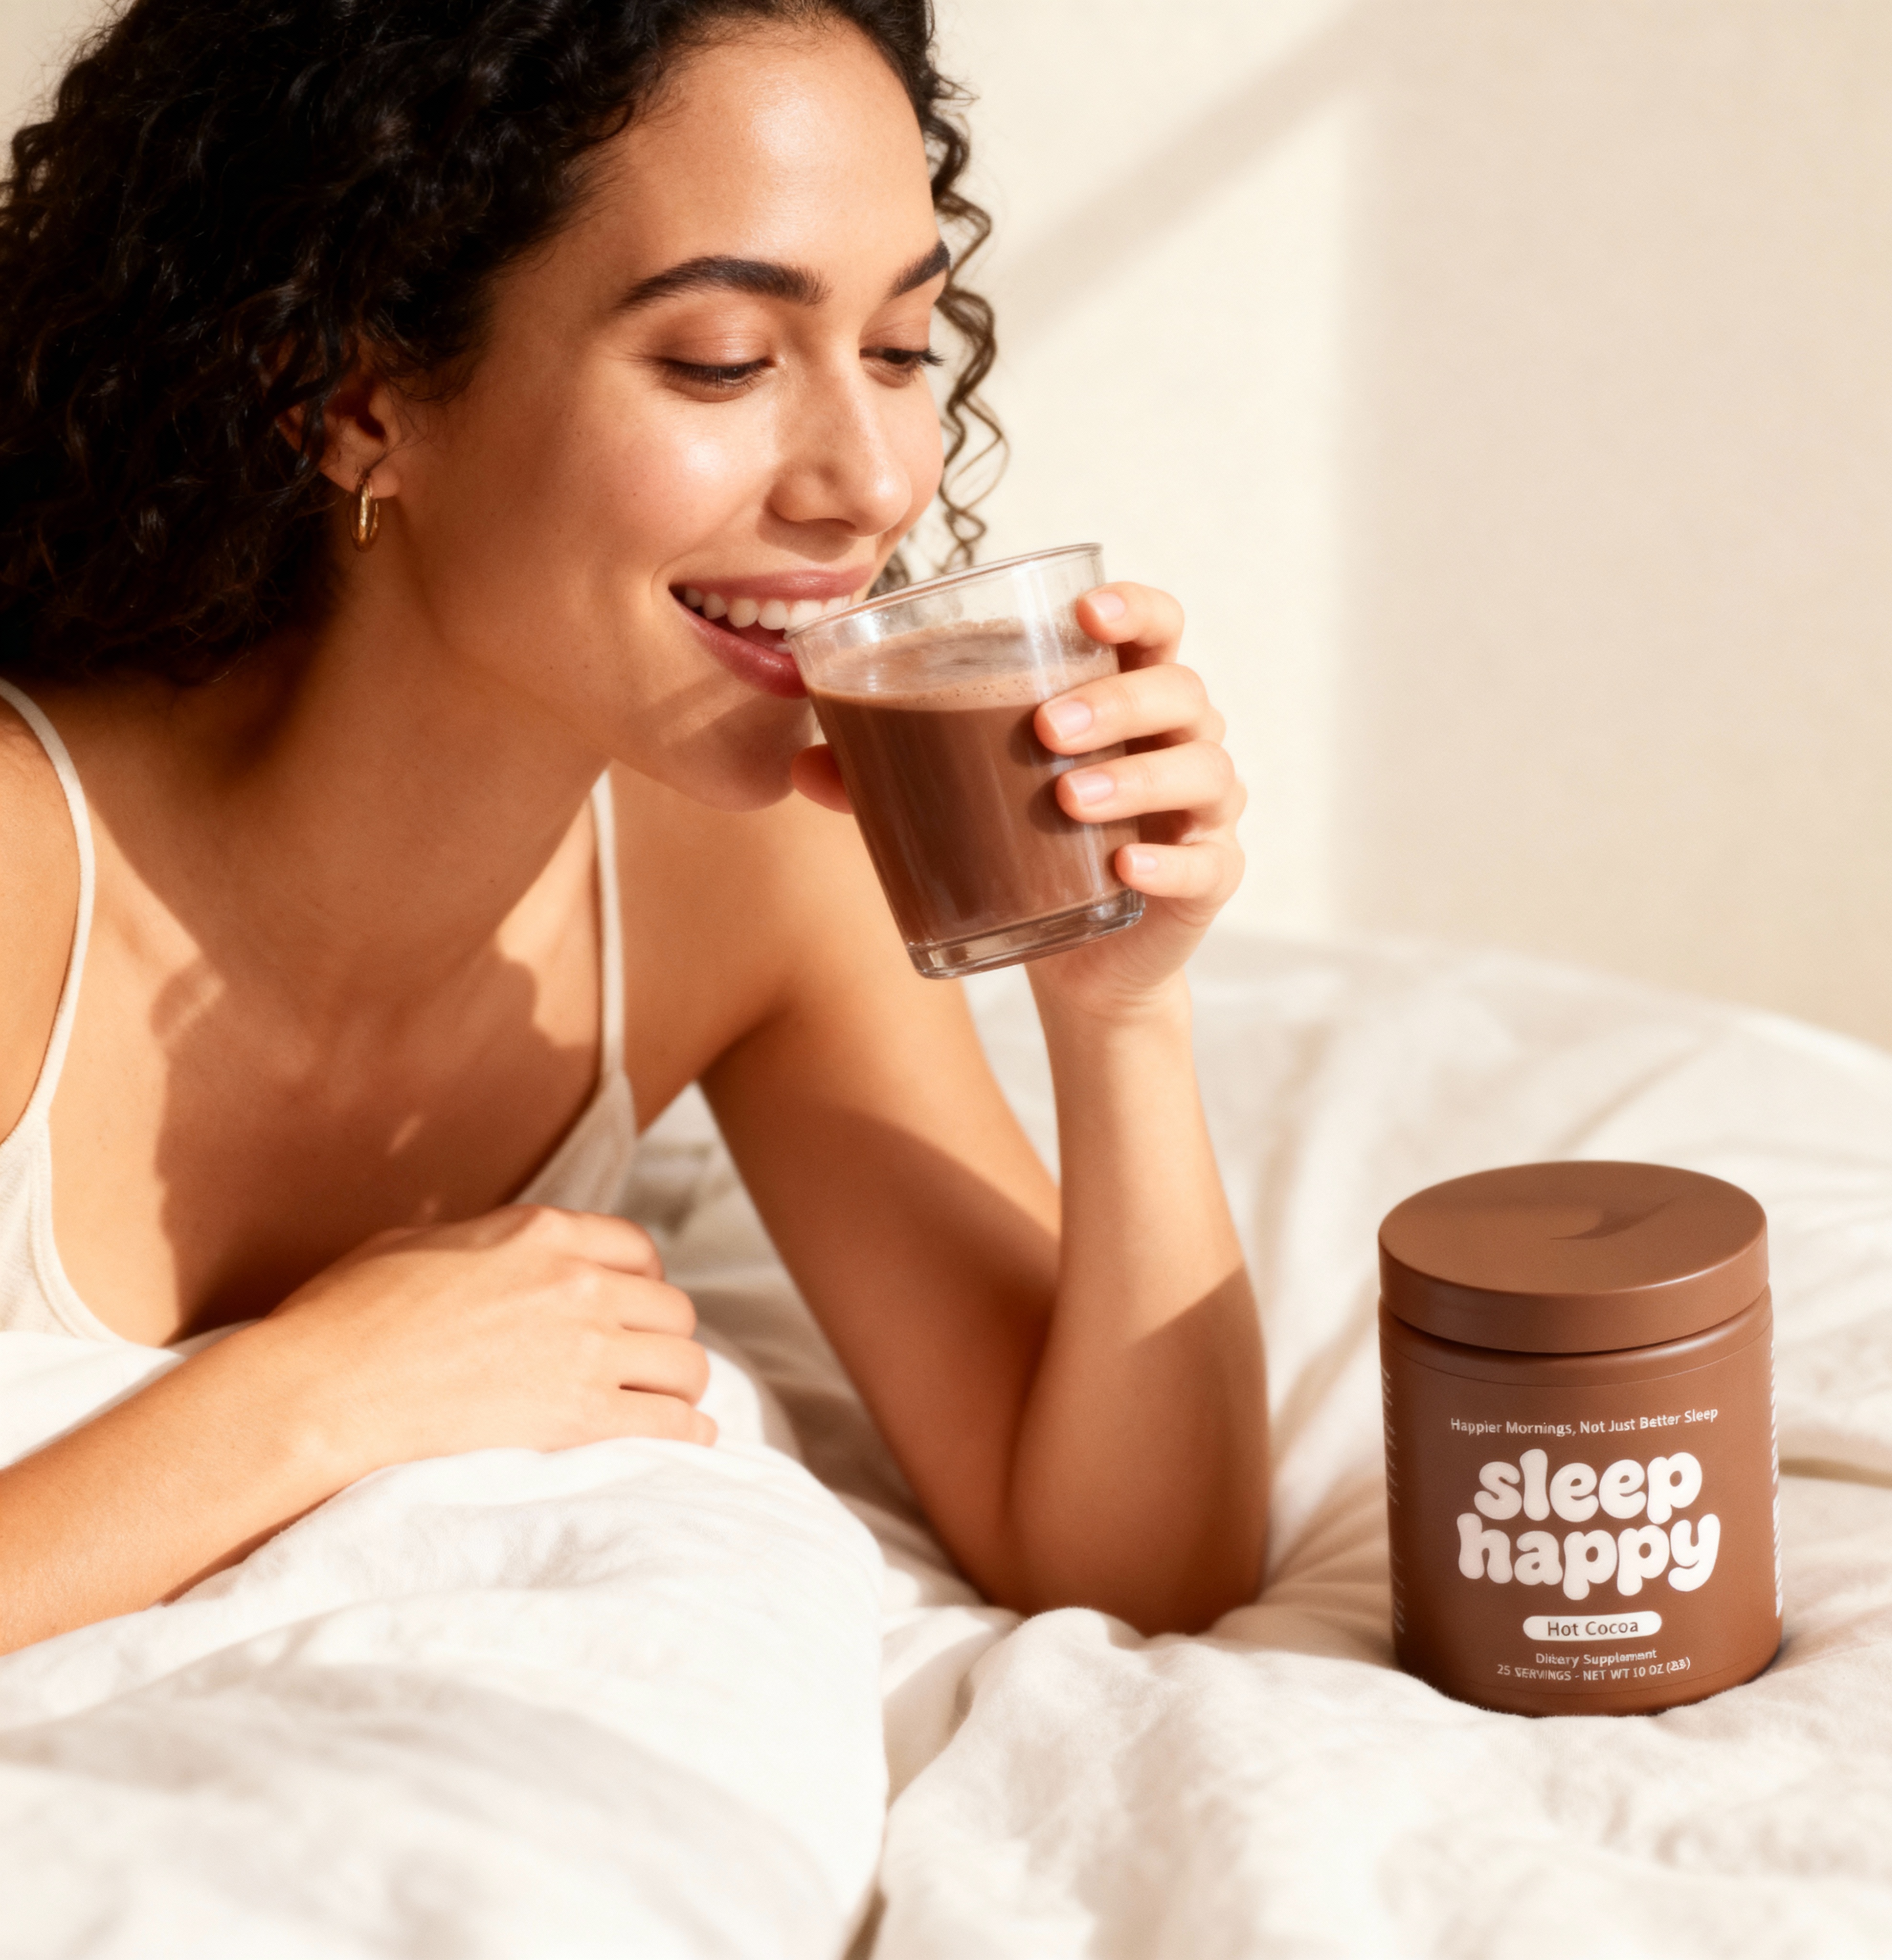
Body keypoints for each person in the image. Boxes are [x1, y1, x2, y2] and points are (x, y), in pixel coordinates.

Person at [0, 0, 1267, 1655]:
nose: (874, 479)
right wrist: (309, 1397)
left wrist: (1122, 1006)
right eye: (725, 362)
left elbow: (1138, 1570)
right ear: (354, 393)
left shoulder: (744, 877)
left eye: (901, 350)